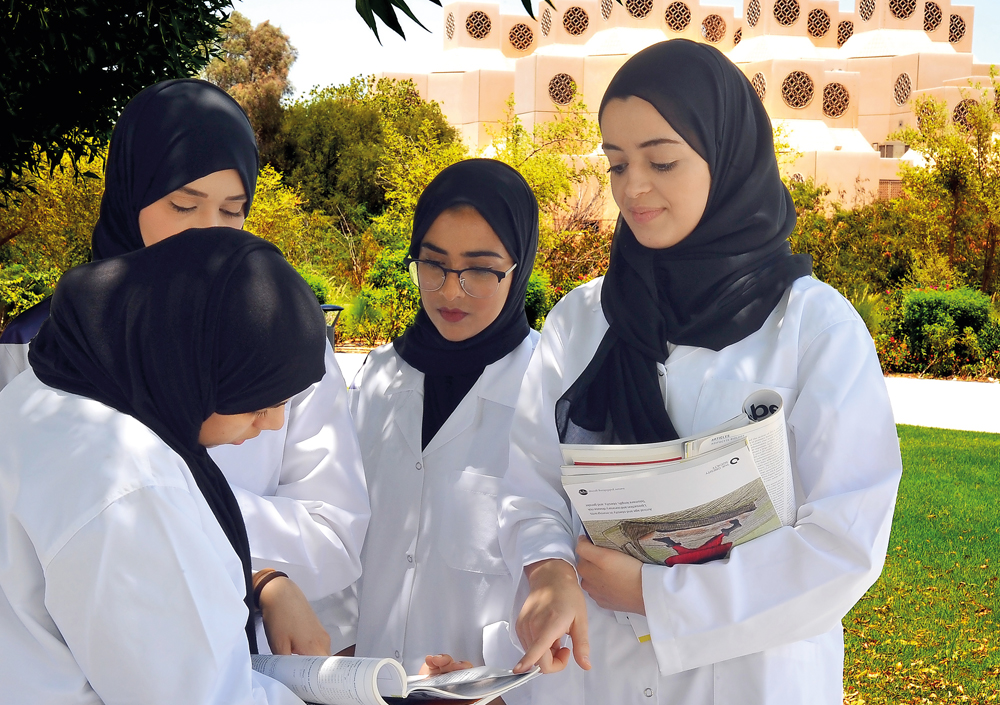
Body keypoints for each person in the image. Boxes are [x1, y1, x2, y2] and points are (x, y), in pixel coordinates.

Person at [498, 40, 903, 704]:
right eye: (617, 162)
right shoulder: (582, 320)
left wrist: (660, 595)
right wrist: (547, 569)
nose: (632, 187)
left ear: (728, 155)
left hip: (755, 678)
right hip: (599, 674)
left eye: (661, 160)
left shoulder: (812, 327)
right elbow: (530, 486)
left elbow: (845, 542)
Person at [0, 79, 369, 654]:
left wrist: (252, 570)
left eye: (232, 209)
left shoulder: (278, 334)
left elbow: (335, 535)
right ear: (130, 194)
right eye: (182, 205)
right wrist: (173, 518)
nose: (208, 232)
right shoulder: (43, 346)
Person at [0, 228, 327, 703]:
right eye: (258, 402)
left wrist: (260, 582)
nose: (274, 423)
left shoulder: (45, 394)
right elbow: (203, 695)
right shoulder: (125, 481)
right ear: (191, 363)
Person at [349, 159, 575, 694]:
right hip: (362, 682)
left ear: (517, 267)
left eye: (479, 269)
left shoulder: (551, 388)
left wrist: (495, 674)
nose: (451, 291)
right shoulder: (377, 377)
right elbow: (341, 528)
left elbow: (563, 567)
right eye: (433, 265)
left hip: (493, 687)